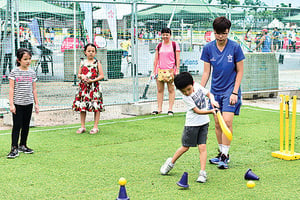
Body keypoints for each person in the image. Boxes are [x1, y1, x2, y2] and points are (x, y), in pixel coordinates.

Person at [200, 16, 245, 169]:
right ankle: (220, 153)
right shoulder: (208, 48)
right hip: (215, 92)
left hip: (230, 91)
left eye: (224, 33)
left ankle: (226, 155)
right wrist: (201, 91)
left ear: (228, 32)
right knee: (218, 124)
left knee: (227, 121)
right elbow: (206, 72)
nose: (221, 36)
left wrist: (234, 92)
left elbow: (240, 71)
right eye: (218, 33)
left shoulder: (235, 47)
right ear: (214, 32)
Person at [160, 72, 219, 182]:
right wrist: (211, 111)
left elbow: (209, 94)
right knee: (185, 147)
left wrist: (212, 100)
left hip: (204, 123)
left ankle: (202, 173)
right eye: (183, 91)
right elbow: (197, 111)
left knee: (202, 147)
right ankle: (170, 163)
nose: (187, 92)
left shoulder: (197, 86)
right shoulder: (186, 98)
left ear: (192, 83)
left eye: (188, 89)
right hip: (191, 125)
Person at [7, 48, 39, 159]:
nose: (28, 61)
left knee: (26, 125)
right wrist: (11, 104)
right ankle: (14, 148)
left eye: (29, 59)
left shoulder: (32, 72)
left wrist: (36, 104)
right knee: (17, 126)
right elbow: (11, 88)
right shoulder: (14, 72)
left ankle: (23, 145)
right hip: (18, 104)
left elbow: (34, 89)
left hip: (28, 103)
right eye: (25, 59)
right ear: (19, 60)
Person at [72, 43, 105, 134]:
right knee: (82, 106)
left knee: (96, 106)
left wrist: (92, 80)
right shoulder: (82, 62)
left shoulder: (97, 63)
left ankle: (95, 126)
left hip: (94, 88)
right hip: (83, 88)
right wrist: (82, 76)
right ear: (85, 52)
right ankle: (82, 126)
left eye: (93, 51)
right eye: (89, 51)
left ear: (95, 53)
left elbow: (102, 75)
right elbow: (78, 74)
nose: (91, 53)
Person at [152, 27, 180, 116]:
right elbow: (156, 59)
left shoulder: (174, 45)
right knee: (160, 90)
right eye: (163, 35)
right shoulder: (159, 46)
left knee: (171, 89)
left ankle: (170, 109)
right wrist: (154, 71)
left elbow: (178, 58)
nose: (165, 36)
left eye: (167, 35)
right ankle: (159, 108)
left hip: (171, 70)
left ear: (170, 35)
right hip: (160, 70)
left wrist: (177, 69)